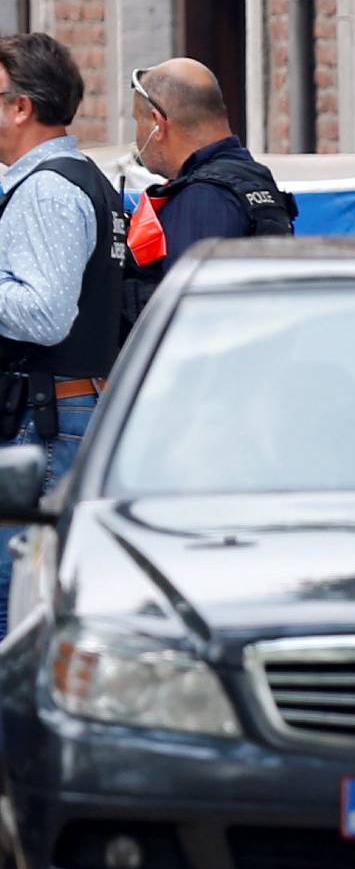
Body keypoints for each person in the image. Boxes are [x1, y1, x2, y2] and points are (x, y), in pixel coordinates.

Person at [0, 35, 128, 600]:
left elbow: (46, 314)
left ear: (21, 106)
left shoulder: (46, 190)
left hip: (45, 416)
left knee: (17, 595)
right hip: (61, 408)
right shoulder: (81, 179)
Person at [126, 61, 295, 300]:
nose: (136, 134)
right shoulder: (254, 178)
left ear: (157, 123)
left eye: (137, 120)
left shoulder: (202, 198)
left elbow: (192, 311)